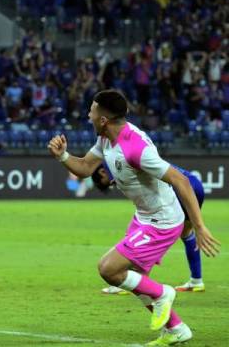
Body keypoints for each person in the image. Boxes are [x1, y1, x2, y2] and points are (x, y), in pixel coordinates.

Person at [47, 89, 220, 346]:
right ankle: (176, 329)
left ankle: (164, 293)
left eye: (92, 110)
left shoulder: (135, 149)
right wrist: (62, 156)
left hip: (161, 221)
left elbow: (181, 180)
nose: (88, 114)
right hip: (144, 216)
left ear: (103, 119)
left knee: (109, 269)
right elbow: (84, 167)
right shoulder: (106, 139)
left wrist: (199, 225)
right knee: (136, 281)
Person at [91, 163, 206, 294]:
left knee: (146, 230)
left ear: (102, 172)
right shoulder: (139, 154)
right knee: (186, 233)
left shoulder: (113, 161)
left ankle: (133, 281)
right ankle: (197, 280)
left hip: (177, 188)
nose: (111, 184)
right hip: (194, 183)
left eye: (107, 183)